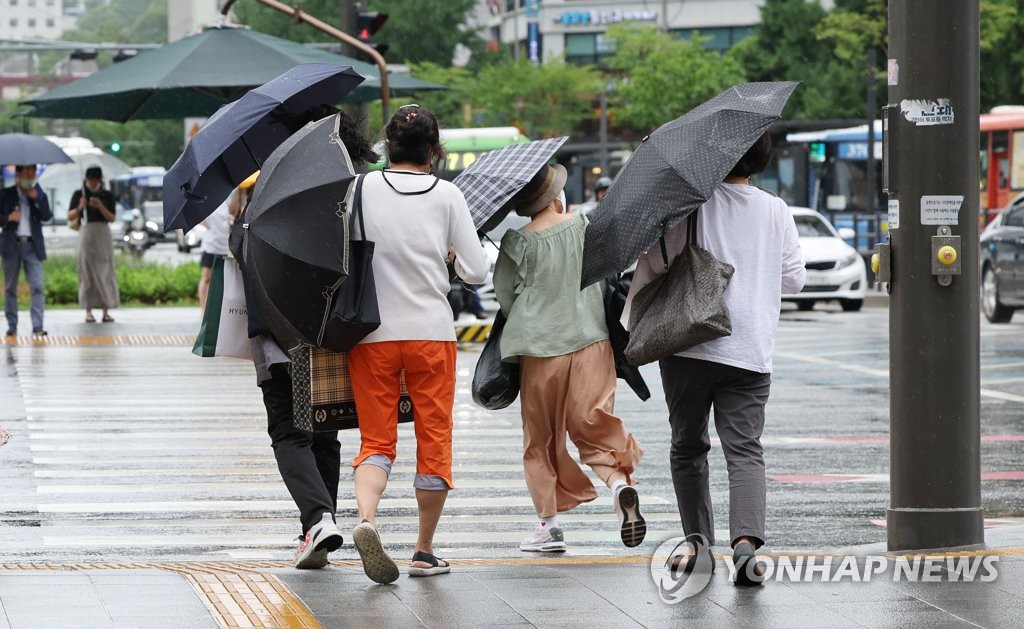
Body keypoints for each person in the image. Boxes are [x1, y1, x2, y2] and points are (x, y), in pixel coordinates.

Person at [625, 132, 806, 585]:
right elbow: (795, 280)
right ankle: (746, 544)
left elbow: (658, 266)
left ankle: (698, 547)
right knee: (745, 450)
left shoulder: (691, 206)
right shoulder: (776, 210)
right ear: (761, 160)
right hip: (750, 349)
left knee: (688, 447)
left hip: (689, 343)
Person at [347, 104, 488, 584]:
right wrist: (447, 255)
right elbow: (476, 272)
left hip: (372, 334)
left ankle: (367, 519)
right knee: (434, 439)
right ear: (434, 148)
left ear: (388, 144)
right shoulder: (447, 195)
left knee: (376, 440)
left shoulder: (361, 188)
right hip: (431, 333)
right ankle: (424, 551)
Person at [234, 110, 380, 571]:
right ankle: (320, 524)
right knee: (325, 433)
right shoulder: (351, 196)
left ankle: (318, 520)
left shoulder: (264, 201)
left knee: (289, 433)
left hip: (277, 341)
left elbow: (241, 259)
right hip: (330, 333)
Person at [492, 163, 645, 554]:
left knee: (540, 441)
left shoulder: (516, 242)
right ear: (556, 196)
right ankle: (619, 486)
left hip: (541, 351)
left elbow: (507, 301)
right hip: (592, 342)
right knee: (592, 425)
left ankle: (549, 526)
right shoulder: (583, 226)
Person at [1, 164, 53, 337]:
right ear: (17, 174)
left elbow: (47, 216)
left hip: (32, 245)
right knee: (10, 287)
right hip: (11, 245)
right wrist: (9, 217)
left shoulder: (39, 192)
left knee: (37, 285)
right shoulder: (6, 194)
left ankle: (38, 326)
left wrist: (37, 198)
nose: (28, 176)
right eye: (25, 173)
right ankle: (12, 325)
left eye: (31, 172)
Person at [68, 166, 120, 324]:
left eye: (95, 180)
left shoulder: (107, 195)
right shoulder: (79, 194)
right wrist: (80, 206)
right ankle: (88, 311)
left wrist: (100, 206)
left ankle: (106, 309)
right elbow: (70, 216)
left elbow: (112, 218)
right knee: (86, 271)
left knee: (105, 270)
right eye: (90, 180)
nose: (92, 183)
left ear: (100, 180)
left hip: (102, 232)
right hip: (86, 231)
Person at [196, 198, 230, 315]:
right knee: (206, 277)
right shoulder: (206, 202)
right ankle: (203, 308)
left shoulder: (225, 201)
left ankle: (217, 308)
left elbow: (230, 216)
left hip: (224, 245)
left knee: (221, 279)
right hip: (210, 245)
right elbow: (198, 217)